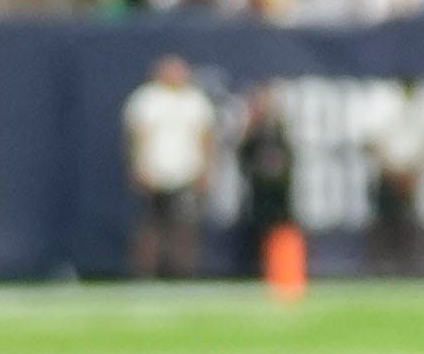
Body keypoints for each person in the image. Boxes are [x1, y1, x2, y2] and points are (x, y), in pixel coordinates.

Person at [122, 52, 214, 280]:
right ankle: (145, 272)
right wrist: (139, 165)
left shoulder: (194, 100)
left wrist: (205, 169)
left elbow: (205, 137)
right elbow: (137, 137)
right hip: (155, 171)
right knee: (151, 224)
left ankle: (181, 272)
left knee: (184, 225)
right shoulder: (147, 99)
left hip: (185, 172)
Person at [361, 77, 424, 276]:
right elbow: (371, 141)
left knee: (409, 223)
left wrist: (412, 171)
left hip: (410, 176)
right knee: (383, 223)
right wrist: (392, 170)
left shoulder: (422, 106)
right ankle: (378, 268)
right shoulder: (383, 102)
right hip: (387, 175)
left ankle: (411, 268)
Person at [232, 85, 297, 271]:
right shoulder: (253, 129)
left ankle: (281, 268)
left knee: (280, 230)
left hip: (278, 190)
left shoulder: (280, 128)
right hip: (258, 189)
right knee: (255, 230)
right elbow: (242, 155)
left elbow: (290, 157)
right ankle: (254, 268)